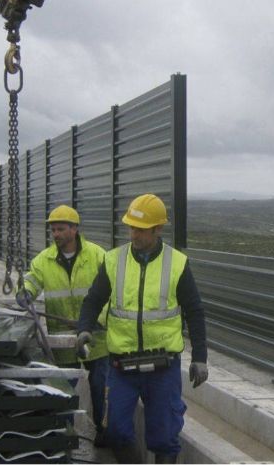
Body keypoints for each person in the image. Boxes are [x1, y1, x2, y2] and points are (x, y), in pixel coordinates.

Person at [76, 193, 208, 464]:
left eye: (141, 229)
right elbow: (93, 300)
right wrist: (84, 329)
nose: (134, 234)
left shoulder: (177, 264)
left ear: (158, 229)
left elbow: (195, 312)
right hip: (122, 366)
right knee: (115, 430)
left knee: (165, 436)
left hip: (163, 366)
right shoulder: (114, 261)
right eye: (131, 227)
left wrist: (200, 358)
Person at [16, 204, 110, 446]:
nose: (55, 234)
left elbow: (112, 293)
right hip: (63, 340)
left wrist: (98, 322)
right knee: (63, 389)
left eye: (60, 229)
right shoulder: (43, 261)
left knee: (100, 387)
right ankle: (64, 433)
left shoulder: (98, 256)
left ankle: (103, 430)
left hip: (95, 338)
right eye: (53, 230)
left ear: (74, 229)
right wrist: (25, 292)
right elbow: (32, 281)